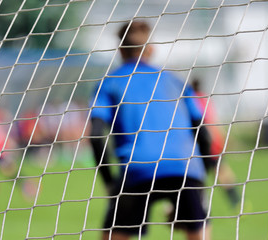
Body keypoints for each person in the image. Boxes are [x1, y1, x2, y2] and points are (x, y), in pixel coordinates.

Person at [90, 21, 210, 240]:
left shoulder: (110, 83)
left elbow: (96, 135)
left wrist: (110, 184)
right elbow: (203, 133)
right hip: (184, 167)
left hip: (137, 169)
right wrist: (200, 183)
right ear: (151, 49)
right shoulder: (176, 81)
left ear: (120, 50)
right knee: (198, 229)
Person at [191, 78, 240, 208]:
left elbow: (205, 122)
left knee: (196, 177)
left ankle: (198, 205)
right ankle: (237, 202)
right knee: (221, 172)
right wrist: (222, 137)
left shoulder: (192, 100)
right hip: (211, 142)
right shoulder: (205, 99)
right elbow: (213, 120)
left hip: (203, 143)